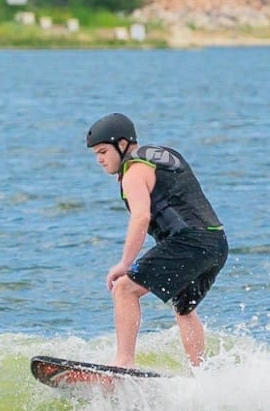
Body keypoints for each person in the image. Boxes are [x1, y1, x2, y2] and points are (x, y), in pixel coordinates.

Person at [86, 113, 227, 368]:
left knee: (124, 289)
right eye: (96, 154)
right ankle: (201, 373)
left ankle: (123, 362)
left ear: (122, 144)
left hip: (189, 242)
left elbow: (141, 217)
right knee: (184, 308)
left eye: (103, 152)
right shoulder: (163, 156)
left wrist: (125, 263)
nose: (99, 159)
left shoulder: (133, 172)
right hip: (216, 243)